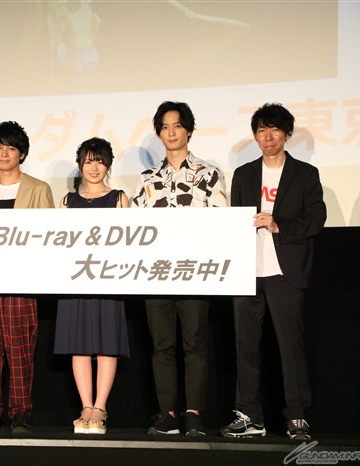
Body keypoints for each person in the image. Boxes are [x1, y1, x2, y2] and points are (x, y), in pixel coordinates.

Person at [221, 103, 326, 441]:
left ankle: (297, 416)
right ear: (255, 136)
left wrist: (278, 224)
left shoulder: (305, 174)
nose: (268, 137)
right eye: (262, 130)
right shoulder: (245, 174)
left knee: (290, 347)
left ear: (287, 134)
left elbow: (316, 219)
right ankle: (249, 415)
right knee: (246, 347)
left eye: (275, 130)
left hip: (285, 272)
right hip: (247, 271)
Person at [133, 101, 227, 437]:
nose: (171, 132)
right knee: (161, 347)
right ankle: (168, 414)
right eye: (165, 127)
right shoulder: (147, 178)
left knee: (195, 345)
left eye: (177, 125)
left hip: (195, 271)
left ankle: (194, 415)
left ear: (188, 129)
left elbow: (221, 222)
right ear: (159, 133)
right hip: (156, 272)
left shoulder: (209, 173)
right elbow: (136, 227)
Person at [0, 121, 55, 434]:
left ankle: (20, 413)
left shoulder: (38, 189)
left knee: (20, 353)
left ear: (22, 154)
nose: (4, 153)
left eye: (11, 148)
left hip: (21, 282)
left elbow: (49, 237)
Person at [53, 137, 130, 435]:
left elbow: (128, 241)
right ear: (80, 165)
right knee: (79, 344)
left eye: (99, 161)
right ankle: (85, 406)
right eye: (88, 161)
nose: (94, 167)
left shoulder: (119, 198)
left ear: (108, 164)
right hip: (75, 279)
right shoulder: (66, 201)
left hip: (109, 278)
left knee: (107, 343)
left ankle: (100, 407)